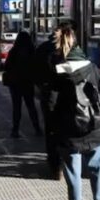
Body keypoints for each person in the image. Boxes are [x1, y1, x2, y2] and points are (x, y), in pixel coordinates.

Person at [51, 26, 100, 200]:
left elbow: (51, 104)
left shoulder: (58, 72)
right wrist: (98, 113)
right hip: (95, 129)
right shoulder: (92, 67)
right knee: (96, 168)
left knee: (73, 172)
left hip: (70, 133)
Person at [34, 24, 66, 177]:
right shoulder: (67, 49)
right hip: (66, 96)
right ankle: (64, 162)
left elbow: (34, 72)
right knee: (65, 129)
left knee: (50, 130)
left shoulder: (42, 49)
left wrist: (42, 85)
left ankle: (54, 165)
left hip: (48, 95)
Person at [3, 31, 42, 138]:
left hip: (15, 84)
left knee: (17, 107)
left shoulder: (13, 51)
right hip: (27, 83)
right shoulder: (32, 51)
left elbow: (6, 66)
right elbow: (36, 68)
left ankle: (15, 130)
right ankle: (37, 128)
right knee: (31, 106)